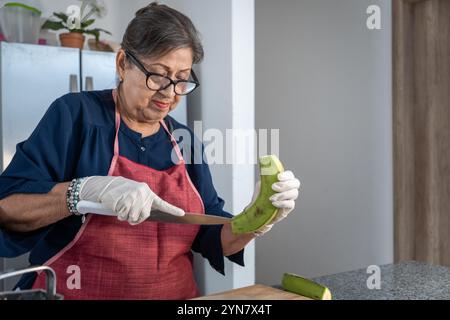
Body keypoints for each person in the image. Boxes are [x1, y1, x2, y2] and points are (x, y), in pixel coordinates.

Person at [0, 2, 300, 299]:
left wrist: (259, 219)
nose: (169, 93)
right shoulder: (75, 115)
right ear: (122, 64)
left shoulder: (185, 141)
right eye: (158, 75)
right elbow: (9, 207)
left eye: (181, 79)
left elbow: (211, 237)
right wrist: (81, 192)